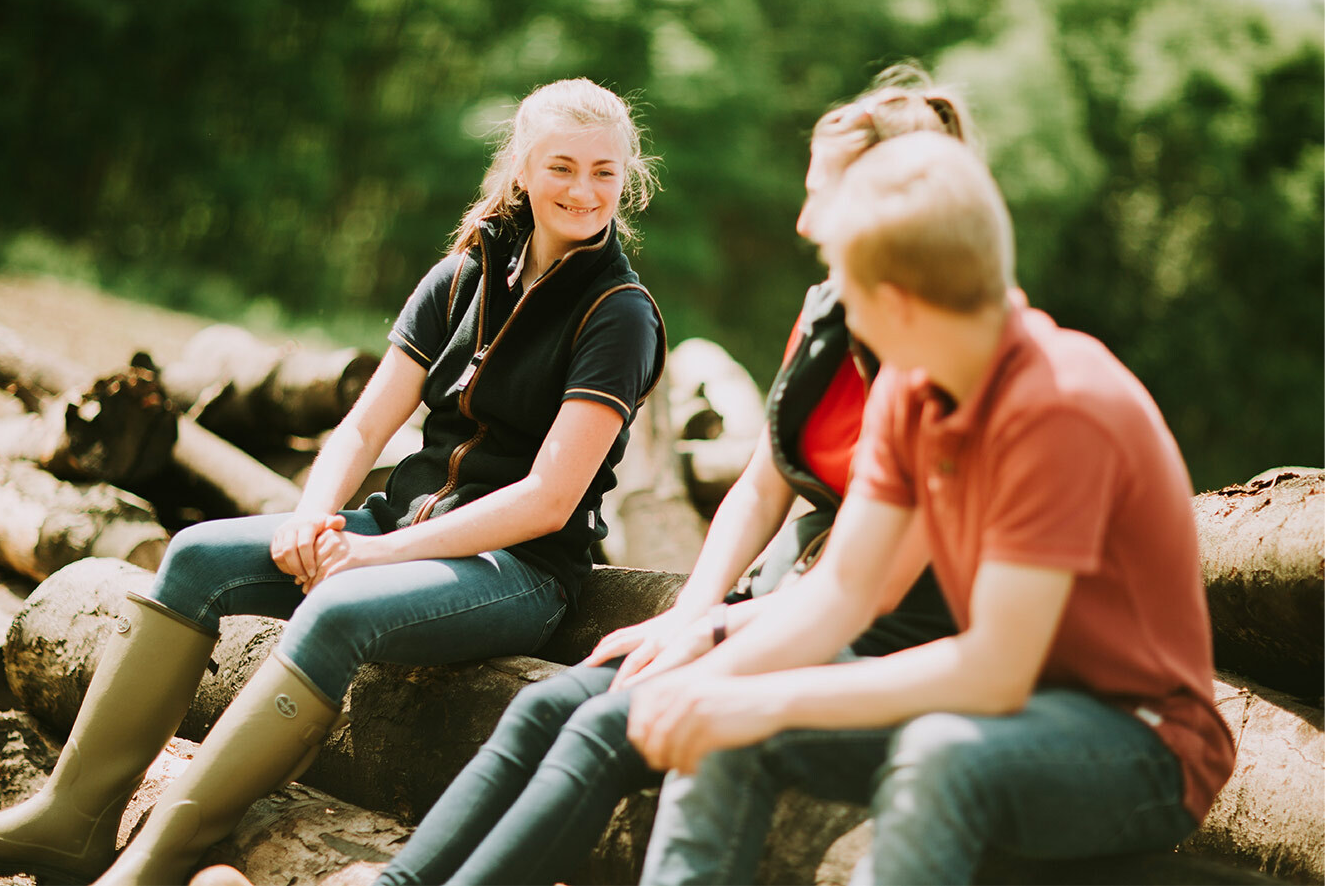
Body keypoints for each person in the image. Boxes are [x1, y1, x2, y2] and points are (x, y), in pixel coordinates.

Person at [0, 77, 666, 886]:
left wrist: (376, 559)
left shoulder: (619, 311)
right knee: (191, 556)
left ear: (627, 178)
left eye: (605, 172)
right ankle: (71, 820)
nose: (584, 190)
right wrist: (315, 516)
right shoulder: (464, 273)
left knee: (334, 608)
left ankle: (155, 862)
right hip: (395, 529)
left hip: (518, 570)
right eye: (563, 166)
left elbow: (548, 496)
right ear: (522, 170)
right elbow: (364, 426)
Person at [366, 67, 964, 886]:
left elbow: (878, 588)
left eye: (821, 192)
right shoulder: (828, 305)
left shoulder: (946, 353)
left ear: (891, 200)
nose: (801, 217)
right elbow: (761, 485)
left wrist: (717, 634)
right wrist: (688, 612)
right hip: (786, 600)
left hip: (882, 636)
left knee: (602, 727)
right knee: (548, 703)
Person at [626, 131, 1237, 885]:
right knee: (734, 726)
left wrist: (765, 698)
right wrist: (710, 683)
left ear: (896, 302)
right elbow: (840, 592)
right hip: (994, 714)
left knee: (940, 752)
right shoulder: (909, 393)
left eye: (840, 279)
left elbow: (994, 671)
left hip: (1139, 743)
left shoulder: (1060, 407)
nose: (833, 300)